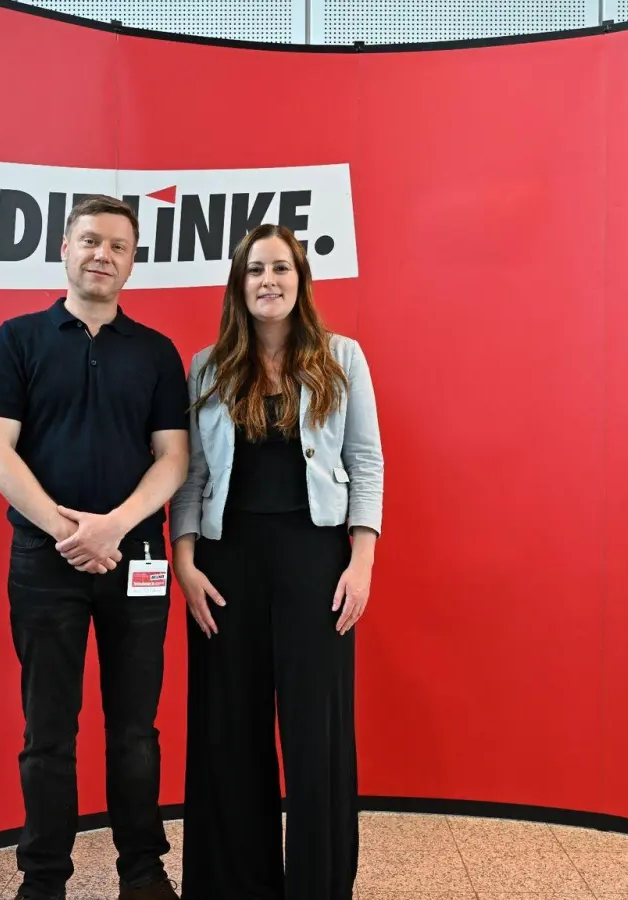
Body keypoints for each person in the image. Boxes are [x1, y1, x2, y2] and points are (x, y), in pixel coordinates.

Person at [0, 195, 189, 900]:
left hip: (139, 561)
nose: (103, 254)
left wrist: (115, 528)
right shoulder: (17, 339)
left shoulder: (156, 353)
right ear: (64, 250)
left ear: (133, 263)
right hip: (45, 565)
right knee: (48, 733)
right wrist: (71, 533)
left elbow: (173, 459)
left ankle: (143, 872)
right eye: (90, 241)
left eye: (118, 246)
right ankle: (43, 880)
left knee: (135, 731)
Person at [169, 223, 384, 900]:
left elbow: (365, 462)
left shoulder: (343, 358)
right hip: (225, 566)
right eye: (256, 270)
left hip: (315, 562)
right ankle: (238, 884)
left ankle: (318, 886)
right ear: (239, 284)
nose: (268, 281)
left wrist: (362, 560)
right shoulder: (207, 366)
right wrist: (185, 562)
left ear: (300, 281)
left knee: (316, 728)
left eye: (281, 269)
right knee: (229, 729)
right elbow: (191, 473)